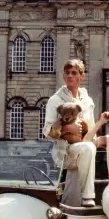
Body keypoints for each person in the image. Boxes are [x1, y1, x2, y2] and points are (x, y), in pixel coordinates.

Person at [43, 59, 96, 208]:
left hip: (82, 150)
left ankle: (71, 211)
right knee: (88, 149)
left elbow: (91, 130)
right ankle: (88, 196)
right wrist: (67, 129)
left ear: (82, 76)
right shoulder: (55, 100)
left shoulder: (88, 101)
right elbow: (46, 130)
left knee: (72, 199)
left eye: (74, 73)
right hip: (63, 152)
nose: (70, 76)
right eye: (67, 73)